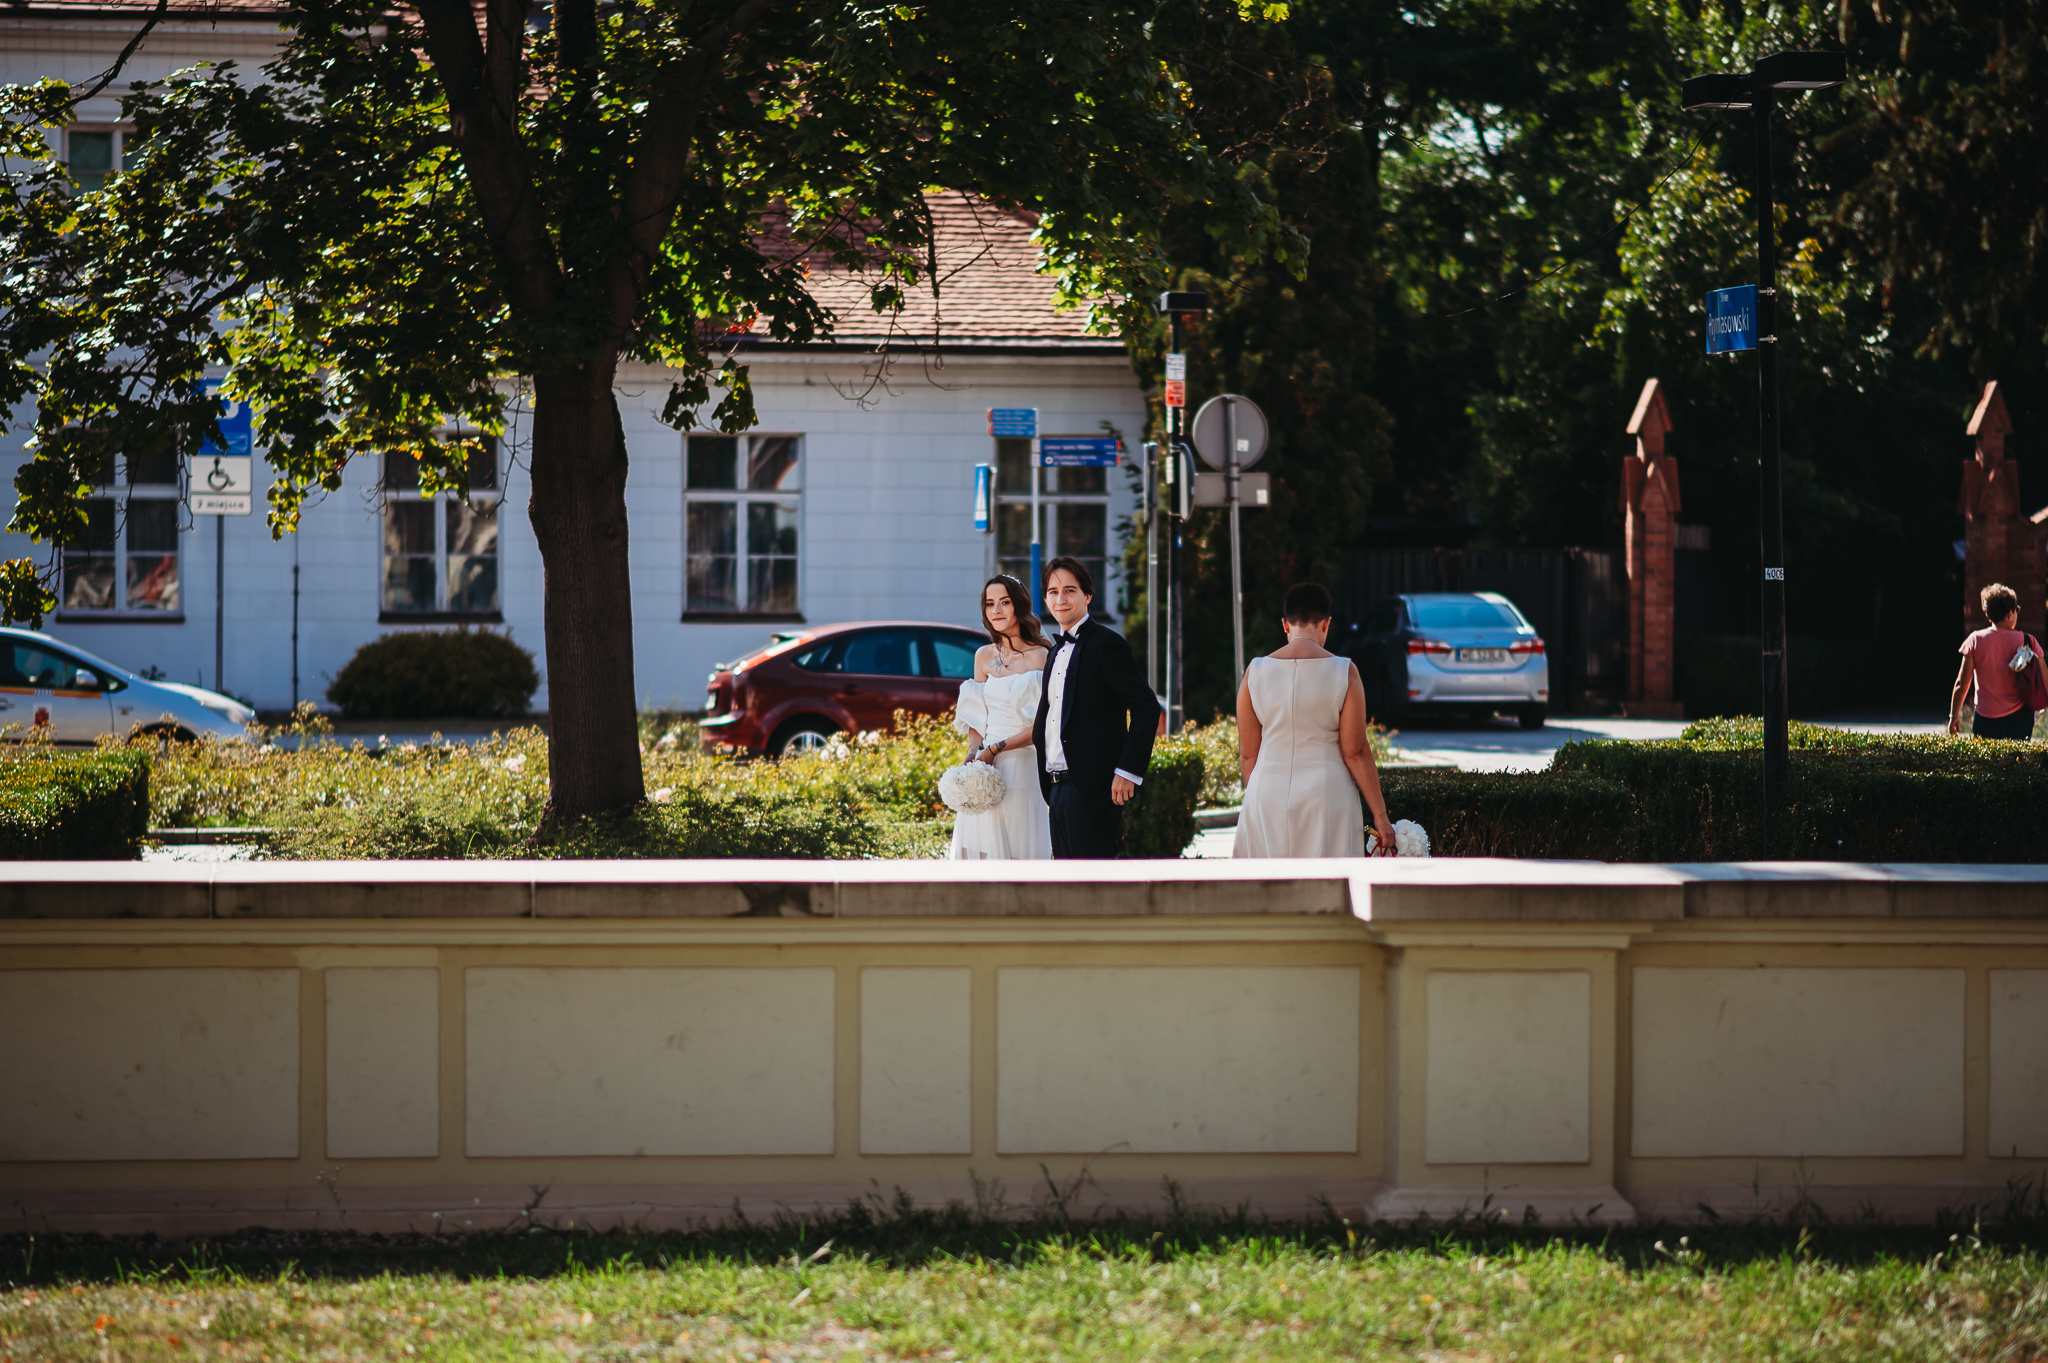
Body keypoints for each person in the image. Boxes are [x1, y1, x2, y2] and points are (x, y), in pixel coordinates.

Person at [1235, 582, 1398, 858]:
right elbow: (1355, 752)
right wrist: (1380, 816)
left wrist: (1259, 797)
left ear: (1285, 625)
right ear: (1326, 624)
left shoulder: (1255, 671)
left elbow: (1249, 755)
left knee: (1267, 882)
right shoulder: (1344, 671)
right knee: (1326, 882)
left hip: (1266, 793)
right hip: (1327, 794)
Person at [1031, 556, 1161, 858]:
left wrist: (1127, 771)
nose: (1060, 599)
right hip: (1056, 788)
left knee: (1094, 881)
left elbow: (1146, 707)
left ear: (1088, 595)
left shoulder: (1107, 644)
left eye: (1070, 590)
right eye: (1053, 592)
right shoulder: (1054, 652)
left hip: (1091, 789)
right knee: (1067, 882)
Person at [950, 574, 1053, 859]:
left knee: (1017, 851)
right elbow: (977, 716)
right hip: (984, 769)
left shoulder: (1040, 656)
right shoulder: (983, 656)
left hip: (1021, 765)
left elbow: (1043, 725)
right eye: (989, 603)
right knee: (977, 848)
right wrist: (973, 753)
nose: (996, 610)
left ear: (1019, 605)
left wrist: (995, 749)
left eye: (1004, 602)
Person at [1950, 581, 2042, 741]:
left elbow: (1961, 684)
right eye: (2017, 610)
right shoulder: (2028, 641)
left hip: (1985, 718)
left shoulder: (1975, 640)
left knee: (1986, 757)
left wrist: (1954, 715)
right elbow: (2045, 681)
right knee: (2018, 757)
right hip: (2020, 718)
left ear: (1988, 614)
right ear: (2010, 613)